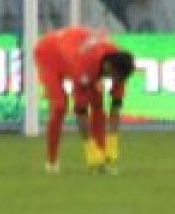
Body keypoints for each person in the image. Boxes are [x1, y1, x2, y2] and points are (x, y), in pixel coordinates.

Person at [32, 25, 134, 173]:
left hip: (74, 49)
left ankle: (101, 160)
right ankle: (52, 161)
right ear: (108, 67)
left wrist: (113, 139)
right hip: (49, 54)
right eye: (114, 77)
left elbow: (116, 105)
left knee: (98, 104)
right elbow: (80, 111)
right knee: (59, 106)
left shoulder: (119, 65)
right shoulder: (86, 65)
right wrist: (89, 145)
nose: (115, 81)